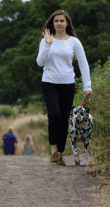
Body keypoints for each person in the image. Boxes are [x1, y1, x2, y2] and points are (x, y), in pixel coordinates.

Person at [36, 10, 93, 166]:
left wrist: (87, 87)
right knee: (54, 114)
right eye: (56, 21)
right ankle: (54, 151)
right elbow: (40, 62)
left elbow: (83, 63)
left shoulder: (74, 42)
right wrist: (47, 45)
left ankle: (61, 153)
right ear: (52, 24)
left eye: (62, 21)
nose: (59, 23)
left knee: (64, 119)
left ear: (67, 23)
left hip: (67, 84)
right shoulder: (46, 40)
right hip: (49, 82)